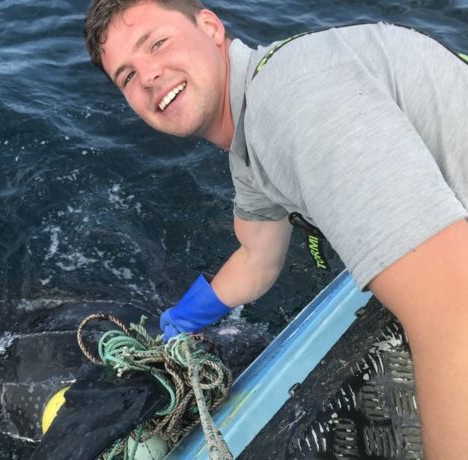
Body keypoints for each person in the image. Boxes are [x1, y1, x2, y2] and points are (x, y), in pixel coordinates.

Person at [84, 0, 468, 457]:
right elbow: (257, 258)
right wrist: (177, 324)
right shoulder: (255, 128)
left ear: (209, 26)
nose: (147, 76)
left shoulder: (292, 102)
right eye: (127, 75)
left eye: (158, 43)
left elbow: (453, 315)